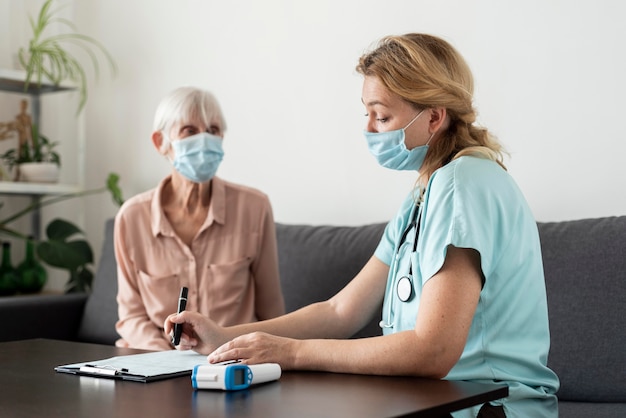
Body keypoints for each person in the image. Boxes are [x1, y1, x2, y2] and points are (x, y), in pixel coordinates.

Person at [164, 35, 559, 417]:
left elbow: (433, 350)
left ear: (434, 117)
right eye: (366, 113)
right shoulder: (423, 196)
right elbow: (341, 311)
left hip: (489, 409)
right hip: (434, 402)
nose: (369, 129)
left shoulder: (464, 185)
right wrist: (226, 337)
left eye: (382, 115)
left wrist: (290, 352)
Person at [115, 86, 285, 351]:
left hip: (231, 358)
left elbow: (272, 311)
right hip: (156, 362)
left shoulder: (254, 207)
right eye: (190, 131)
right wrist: (168, 358)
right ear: (161, 142)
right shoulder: (132, 217)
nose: (204, 140)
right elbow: (131, 317)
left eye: (213, 130)